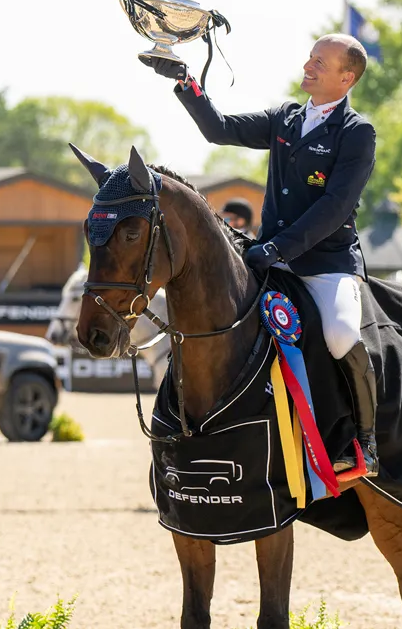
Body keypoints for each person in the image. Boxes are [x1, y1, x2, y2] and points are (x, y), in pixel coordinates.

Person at [149, 33, 380, 476]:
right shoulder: (285, 119)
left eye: (320, 62)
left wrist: (276, 248)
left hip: (324, 264)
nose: (308, 66)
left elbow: (334, 208)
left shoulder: (357, 133)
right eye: (310, 57)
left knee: (339, 334)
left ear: (346, 77)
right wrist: (185, 82)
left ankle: (364, 442)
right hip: (266, 256)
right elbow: (219, 129)